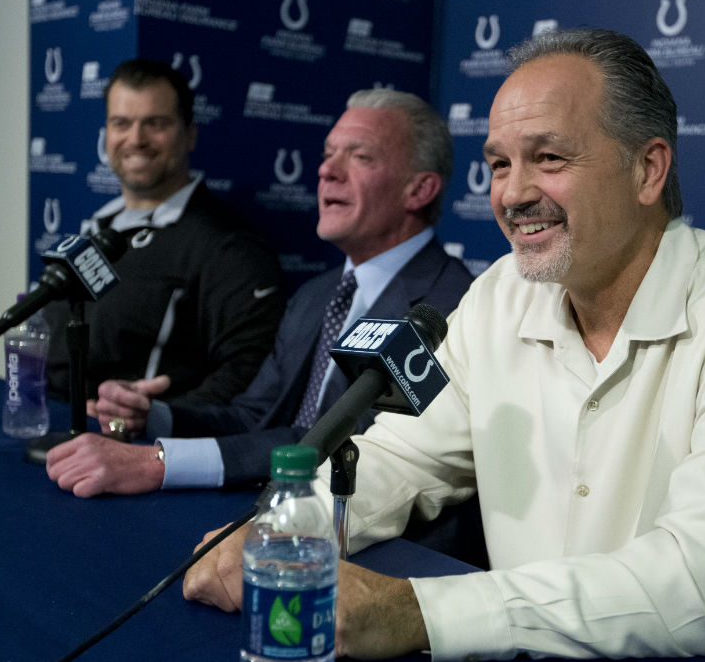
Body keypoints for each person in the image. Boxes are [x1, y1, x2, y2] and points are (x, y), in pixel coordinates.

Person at [181, 29, 705, 662]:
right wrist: (283, 531)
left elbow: (702, 585)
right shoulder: (499, 296)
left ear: (647, 170)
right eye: (498, 164)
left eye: (548, 158)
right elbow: (402, 458)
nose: (513, 194)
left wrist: (412, 611)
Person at [44, 88, 475, 500]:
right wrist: (155, 415)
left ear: (419, 190)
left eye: (360, 157)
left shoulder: (449, 305)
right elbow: (255, 415)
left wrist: (161, 463)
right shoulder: (316, 295)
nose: (327, 170)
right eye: (328, 155)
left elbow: (351, 444)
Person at [43, 58, 286, 410]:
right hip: (56, 429)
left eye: (155, 124)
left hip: (142, 452)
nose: (136, 139)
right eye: (121, 123)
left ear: (189, 134)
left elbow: (250, 374)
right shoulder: (97, 227)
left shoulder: (228, 245)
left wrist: (157, 418)